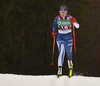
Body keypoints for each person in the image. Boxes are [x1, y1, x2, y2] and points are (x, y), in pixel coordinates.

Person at [52, 5, 79, 77]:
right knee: (61, 52)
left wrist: (75, 22)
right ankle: (59, 69)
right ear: (59, 12)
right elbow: (54, 25)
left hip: (69, 37)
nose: (62, 13)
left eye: (64, 12)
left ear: (66, 12)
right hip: (60, 37)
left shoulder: (70, 18)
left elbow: (77, 26)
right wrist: (53, 32)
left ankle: (70, 64)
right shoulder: (57, 18)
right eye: (61, 12)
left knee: (69, 52)